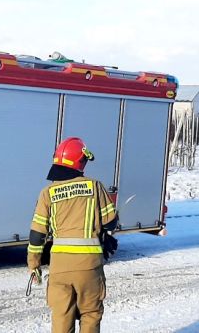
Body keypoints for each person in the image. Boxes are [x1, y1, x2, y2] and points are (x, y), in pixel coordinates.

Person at [28, 137, 118, 333]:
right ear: (81, 162)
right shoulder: (95, 187)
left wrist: (34, 265)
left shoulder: (47, 193)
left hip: (59, 268)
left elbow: (36, 235)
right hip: (89, 267)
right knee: (90, 315)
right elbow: (111, 221)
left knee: (61, 320)